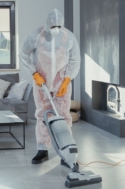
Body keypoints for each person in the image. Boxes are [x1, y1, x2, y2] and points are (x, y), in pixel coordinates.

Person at [19, 9, 80, 165]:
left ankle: (66, 153)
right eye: (53, 25)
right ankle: (42, 150)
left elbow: (75, 60)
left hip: (61, 81)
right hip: (42, 82)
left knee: (64, 116)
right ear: (47, 25)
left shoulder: (68, 37)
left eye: (58, 25)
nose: (56, 28)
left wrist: (67, 80)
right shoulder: (36, 36)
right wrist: (34, 73)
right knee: (42, 115)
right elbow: (23, 54)